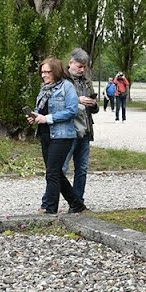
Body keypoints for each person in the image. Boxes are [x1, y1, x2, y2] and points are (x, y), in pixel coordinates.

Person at [28, 58, 86, 214]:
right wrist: (35, 116)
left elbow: (72, 111)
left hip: (62, 135)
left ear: (56, 71)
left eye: (48, 72)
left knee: (52, 173)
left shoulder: (67, 87)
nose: (44, 75)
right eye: (42, 72)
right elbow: (40, 109)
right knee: (56, 172)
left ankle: (50, 209)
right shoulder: (44, 88)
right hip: (45, 134)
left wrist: (47, 118)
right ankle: (76, 203)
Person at [64, 48, 99, 201]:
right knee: (61, 169)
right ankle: (51, 202)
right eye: (79, 66)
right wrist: (77, 100)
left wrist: (93, 104)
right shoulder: (61, 80)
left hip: (85, 130)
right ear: (70, 63)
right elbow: (56, 103)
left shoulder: (86, 81)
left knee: (82, 169)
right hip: (67, 130)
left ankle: (78, 202)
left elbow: (95, 109)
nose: (82, 70)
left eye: (84, 67)